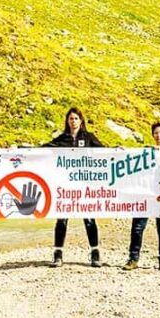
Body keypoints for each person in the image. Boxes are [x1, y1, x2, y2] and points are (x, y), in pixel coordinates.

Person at [44, 107, 105, 267]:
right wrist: (20, 151)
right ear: (67, 121)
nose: (73, 121)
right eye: (70, 119)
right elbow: (42, 149)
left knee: (89, 220)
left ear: (81, 120)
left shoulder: (89, 137)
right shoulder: (62, 139)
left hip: (85, 186)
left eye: (76, 118)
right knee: (62, 220)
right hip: (66, 186)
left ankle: (95, 253)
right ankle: (58, 254)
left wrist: (119, 151)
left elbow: (105, 152)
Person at [123, 122, 160, 271]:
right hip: (147, 195)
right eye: (156, 133)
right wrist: (121, 151)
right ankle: (133, 259)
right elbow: (131, 159)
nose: (158, 135)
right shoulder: (146, 152)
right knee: (138, 226)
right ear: (152, 135)